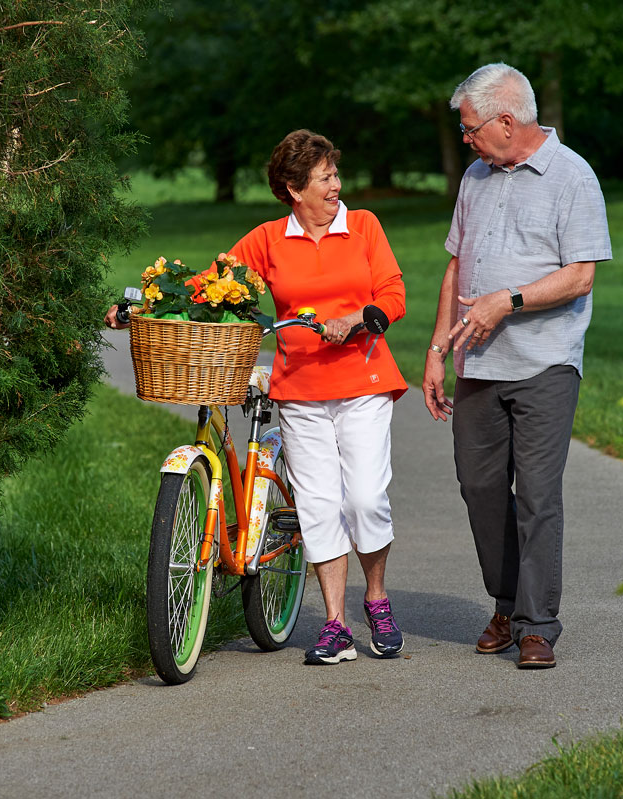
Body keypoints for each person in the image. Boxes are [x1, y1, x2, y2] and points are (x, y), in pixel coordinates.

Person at [108, 130, 408, 665]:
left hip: (363, 384)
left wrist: (361, 318)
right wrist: (141, 303)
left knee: (363, 498)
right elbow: (208, 284)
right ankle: (336, 624)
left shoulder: (363, 226)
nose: (336, 186)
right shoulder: (269, 239)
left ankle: (377, 598)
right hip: (300, 389)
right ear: (294, 189)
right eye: (325, 178)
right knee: (317, 505)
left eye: (336, 175)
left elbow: (392, 293)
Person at [421, 63, 612, 669]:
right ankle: (506, 603)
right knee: (480, 490)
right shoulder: (477, 176)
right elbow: (457, 264)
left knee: (535, 493)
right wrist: (435, 350)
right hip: (478, 365)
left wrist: (511, 300)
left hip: (545, 364)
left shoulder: (572, 176)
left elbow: (580, 275)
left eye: (471, 128)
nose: (466, 139)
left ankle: (535, 624)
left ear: (507, 121)